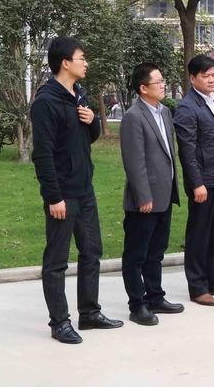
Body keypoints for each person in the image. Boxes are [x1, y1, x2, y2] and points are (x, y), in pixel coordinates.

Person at [31, 36, 123, 344]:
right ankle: (59, 322)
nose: (86, 63)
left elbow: (86, 138)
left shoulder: (79, 95)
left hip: (85, 190)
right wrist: (53, 197)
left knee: (92, 252)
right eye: (82, 58)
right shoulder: (46, 102)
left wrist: (93, 120)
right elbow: (43, 154)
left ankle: (90, 313)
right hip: (63, 194)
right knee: (57, 261)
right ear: (65, 63)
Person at [119, 63, 184, 326]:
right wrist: (143, 196)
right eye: (158, 82)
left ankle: (155, 296)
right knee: (136, 255)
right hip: (144, 200)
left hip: (164, 194)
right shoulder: (133, 117)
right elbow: (134, 162)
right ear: (143, 88)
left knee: (156, 252)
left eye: (163, 80)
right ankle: (137, 305)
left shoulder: (165, 112)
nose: (163, 85)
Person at [174, 54, 214, 306]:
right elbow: (187, 151)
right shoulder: (187, 107)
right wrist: (197, 183)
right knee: (199, 235)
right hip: (203, 183)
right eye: (206, 76)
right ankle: (198, 286)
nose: (212, 80)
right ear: (193, 78)